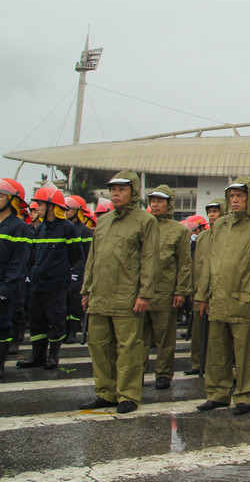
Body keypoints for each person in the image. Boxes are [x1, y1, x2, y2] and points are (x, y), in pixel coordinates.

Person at [195, 177, 250, 415]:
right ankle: (217, 394)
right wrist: (203, 295)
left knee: (245, 352)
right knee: (217, 350)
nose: (235, 200)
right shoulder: (220, 225)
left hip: (244, 298)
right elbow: (210, 262)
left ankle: (246, 395)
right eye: (232, 196)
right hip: (218, 298)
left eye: (240, 196)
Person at [79, 171, 160, 414]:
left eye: (122, 189)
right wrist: (86, 290)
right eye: (113, 189)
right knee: (99, 346)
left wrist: (144, 294)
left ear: (133, 192)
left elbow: (150, 260)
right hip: (100, 296)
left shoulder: (146, 222)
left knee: (129, 348)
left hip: (127, 297)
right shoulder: (103, 221)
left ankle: (128, 395)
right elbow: (93, 258)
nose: (115, 193)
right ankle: (105, 392)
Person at [17, 187, 83, 370]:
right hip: (38, 285)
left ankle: (53, 356)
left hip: (56, 285)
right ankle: (37, 356)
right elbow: (32, 257)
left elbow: (76, 255)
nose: (36, 207)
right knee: (37, 321)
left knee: (55, 320)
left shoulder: (68, 229)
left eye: (40, 204)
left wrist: (62, 273)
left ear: (52, 206)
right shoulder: (39, 230)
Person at [143, 185, 193, 389]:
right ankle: (135, 374)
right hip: (140, 292)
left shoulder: (179, 230)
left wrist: (181, 290)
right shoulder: (143, 225)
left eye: (160, 201)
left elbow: (184, 263)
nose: (155, 205)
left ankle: (163, 373)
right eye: (152, 201)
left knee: (165, 338)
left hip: (166, 291)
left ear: (169, 203)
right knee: (138, 339)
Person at [184, 199, 224, 375]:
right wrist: (194, 288)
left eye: (216, 211)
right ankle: (197, 363)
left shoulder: (226, 236)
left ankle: (215, 365)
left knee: (217, 334)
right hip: (201, 288)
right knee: (198, 330)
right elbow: (196, 264)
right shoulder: (202, 237)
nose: (212, 215)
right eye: (210, 211)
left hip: (220, 289)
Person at [0, 179, 31, 377]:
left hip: (5, 285)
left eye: (0, 196)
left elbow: (19, 262)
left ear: (11, 200)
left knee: (2, 326)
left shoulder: (19, 227)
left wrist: (6, 289)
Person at [63, 195, 94, 344]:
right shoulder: (64, 228)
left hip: (80, 273)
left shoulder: (86, 232)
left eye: (70, 209)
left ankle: (73, 332)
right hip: (66, 271)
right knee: (64, 302)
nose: (66, 211)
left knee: (75, 303)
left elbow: (89, 255)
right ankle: (65, 330)